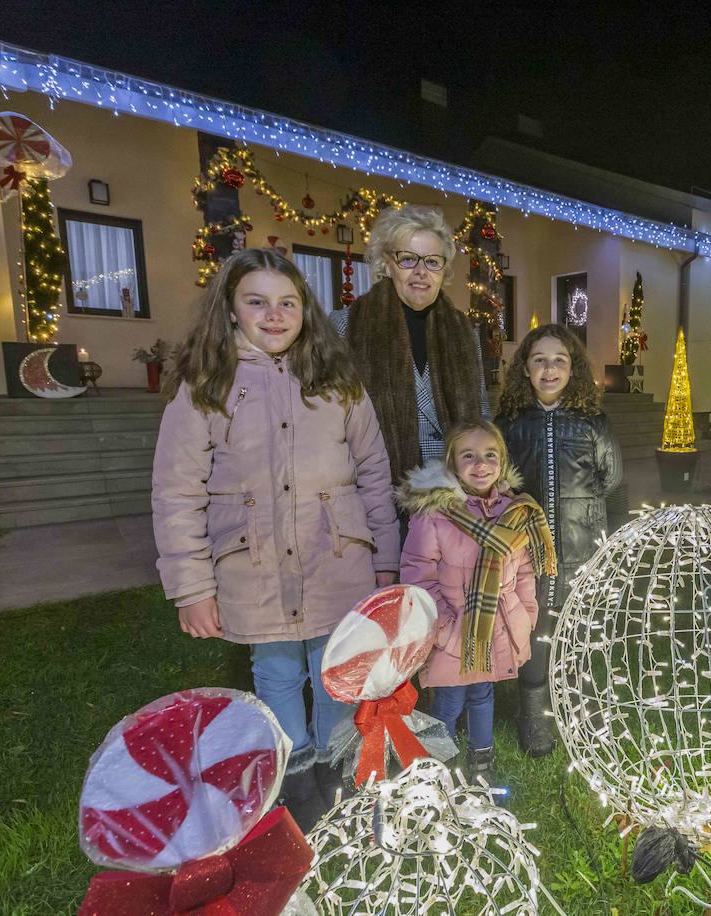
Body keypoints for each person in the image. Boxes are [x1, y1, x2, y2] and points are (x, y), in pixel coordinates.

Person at [152, 248, 400, 829]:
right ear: (231, 310)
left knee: (335, 669)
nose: (274, 313)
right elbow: (176, 490)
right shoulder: (206, 386)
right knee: (278, 670)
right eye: (256, 301)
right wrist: (191, 585)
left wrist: (385, 560)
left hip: (334, 559)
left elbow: (373, 472)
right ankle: (294, 770)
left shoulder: (337, 383)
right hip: (256, 564)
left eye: (287, 301)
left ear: (305, 310)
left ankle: (338, 761)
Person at [399, 420, 554, 779]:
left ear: (502, 461)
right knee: (450, 700)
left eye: (490, 455)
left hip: (496, 628)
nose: (480, 463)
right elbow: (418, 577)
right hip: (452, 630)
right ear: (452, 461)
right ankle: (437, 766)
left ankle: (481, 760)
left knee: (483, 694)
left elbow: (526, 572)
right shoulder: (435, 516)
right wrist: (445, 629)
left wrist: (526, 615)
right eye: (469, 455)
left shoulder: (514, 512)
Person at [495, 324, 622, 756]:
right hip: (528, 552)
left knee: (582, 632)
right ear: (525, 370)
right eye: (539, 360)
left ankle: (585, 714)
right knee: (534, 631)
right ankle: (534, 718)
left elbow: (611, 479)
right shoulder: (510, 424)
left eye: (559, 360)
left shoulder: (592, 423)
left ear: (574, 369)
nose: (550, 369)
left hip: (583, 546)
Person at [343, 204, 488, 490]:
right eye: (408, 259)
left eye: (433, 261)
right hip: (380, 496)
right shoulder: (345, 326)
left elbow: (481, 419)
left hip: (455, 496)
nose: (422, 272)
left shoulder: (465, 333)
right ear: (387, 263)